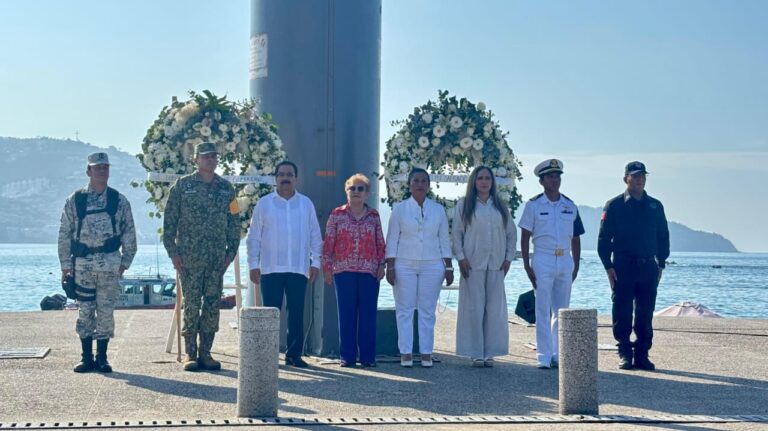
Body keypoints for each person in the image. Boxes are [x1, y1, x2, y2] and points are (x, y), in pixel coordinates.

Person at [163, 142, 240, 372]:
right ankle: (190, 353)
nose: (210, 160)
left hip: (216, 259)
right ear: (195, 159)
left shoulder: (227, 189)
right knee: (192, 303)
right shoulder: (182, 186)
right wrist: (173, 252)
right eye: (205, 156)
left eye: (213, 156)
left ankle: (206, 352)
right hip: (189, 258)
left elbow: (234, 222)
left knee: (212, 305)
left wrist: (230, 253)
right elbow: (169, 222)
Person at [58, 152, 137, 373]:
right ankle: (86, 358)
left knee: (105, 311)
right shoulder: (76, 200)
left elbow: (129, 233)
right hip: (82, 265)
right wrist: (65, 266)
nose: (102, 171)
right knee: (85, 311)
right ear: (88, 171)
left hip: (110, 265)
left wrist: (125, 262)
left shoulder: (119, 200)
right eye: (98, 167)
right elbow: (64, 234)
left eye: (105, 167)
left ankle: (102, 358)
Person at [247, 160, 322, 368]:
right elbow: (254, 237)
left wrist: (316, 262)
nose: (285, 178)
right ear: (276, 178)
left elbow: (315, 235)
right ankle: (268, 356)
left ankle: (294, 355)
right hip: (271, 268)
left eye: (289, 174)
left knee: (296, 314)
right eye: (281, 174)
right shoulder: (264, 204)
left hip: (298, 267)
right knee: (270, 315)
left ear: (296, 178)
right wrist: (253, 264)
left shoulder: (306, 204)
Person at [598, 161, 669, 371]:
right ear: (626, 179)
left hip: (648, 266)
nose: (639, 180)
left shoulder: (655, 206)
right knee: (622, 310)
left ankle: (642, 354)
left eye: (642, 176)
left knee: (645, 312)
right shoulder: (614, 205)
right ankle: (624, 353)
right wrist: (608, 266)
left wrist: (661, 263)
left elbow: (663, 236)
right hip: (623, 265)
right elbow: (603, 239)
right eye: (635, 176)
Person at [519, 159, 585, 369]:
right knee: (542, 308)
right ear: (541, 181)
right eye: (550, 177)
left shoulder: (570, 205)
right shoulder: (533, 205)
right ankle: (543, 355)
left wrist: (575, 264)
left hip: (564, 258)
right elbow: (525, 236)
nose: (554, 180)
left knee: (562, 309)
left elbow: (576, 237)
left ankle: (558, 353)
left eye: (557, 176)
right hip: (543, 257)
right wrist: (527, 265)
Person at [385, 168, 454, 368]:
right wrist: (390, 266)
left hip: (432, 264)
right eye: (416, 181)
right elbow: (392, 238)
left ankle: (426, 352)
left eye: (424, 181)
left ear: (429, 185)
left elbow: (444, 239)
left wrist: (449, 267)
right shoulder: (399, 209)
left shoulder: (438, 210)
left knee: (427, 310)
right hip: (404, 263)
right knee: (404, 309)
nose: (420, 184)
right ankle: (405, 352)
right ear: (409, 185)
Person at [452, 166, 517, 367]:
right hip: (472, 264)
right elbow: (457, 234)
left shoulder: (500, 206)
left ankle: (491, 351)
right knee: (473, 309)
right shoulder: (464, 205)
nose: (484, 182)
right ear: (474, 181)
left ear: (492, 182)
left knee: (494, 309)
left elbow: (511, 234)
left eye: (487, 178)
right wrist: (461, 258)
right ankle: (475, 352)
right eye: (480, 178)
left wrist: (508, 258)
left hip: (496, 264)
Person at [322, 174, 386, 367]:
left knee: (368, 315)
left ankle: (368, 358)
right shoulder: (337, 214)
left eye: (360, 189)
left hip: (369, 271)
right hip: (343, 271)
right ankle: (347, 357)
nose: (356, 192)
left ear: (367, 193)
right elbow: (328, 243)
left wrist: (382, 265)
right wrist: (326, 268)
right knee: (346, 314)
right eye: (352, 188)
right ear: (346, 191)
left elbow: (380, 243)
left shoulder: (374, 216)